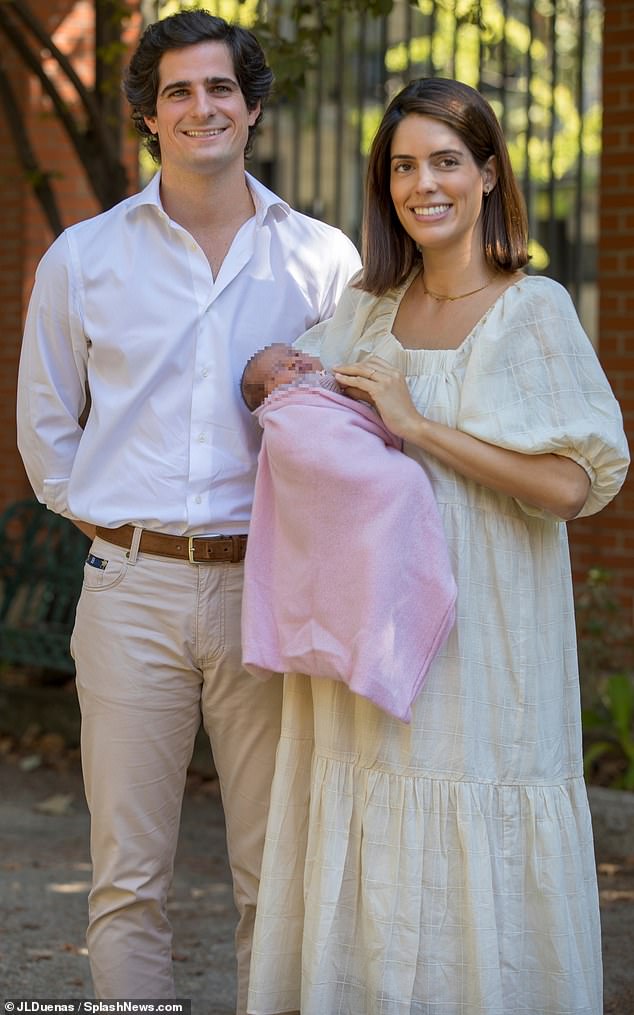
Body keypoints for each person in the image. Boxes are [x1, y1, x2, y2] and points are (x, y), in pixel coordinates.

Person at [246, 78, 630, 1015]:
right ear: (386, 186)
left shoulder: (533, 310)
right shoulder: (369, 310)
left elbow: (574, 485)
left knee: (473, 840)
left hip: (485, 650)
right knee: (367, 829)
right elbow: (294, 405)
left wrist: (416, 426)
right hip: (365, 643)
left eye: (447, 161)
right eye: (404, 166)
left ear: (489, 175)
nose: (425, 184)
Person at [16, 10, 360, 1010]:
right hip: (129, 589)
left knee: (273, 873)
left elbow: (345, 428)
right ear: (147, 116)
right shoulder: (84, 257)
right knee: (126, 878)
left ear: (251, 107)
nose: (201, 106)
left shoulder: (322, 261)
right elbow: (46, 426)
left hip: (270, 586)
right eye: (178, 91)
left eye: (219, 88)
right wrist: (120, 527)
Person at [239, 344, 457, 722]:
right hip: (347, 475)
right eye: (281, 368)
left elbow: (360, 422)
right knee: (401, 483)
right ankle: (374, 657)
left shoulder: (332, 384)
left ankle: (379, 655)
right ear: (267, 395)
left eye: (295, 354)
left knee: (383, 532)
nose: (296, 362)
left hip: (361, 476)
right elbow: (317, 449)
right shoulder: (287, 413)